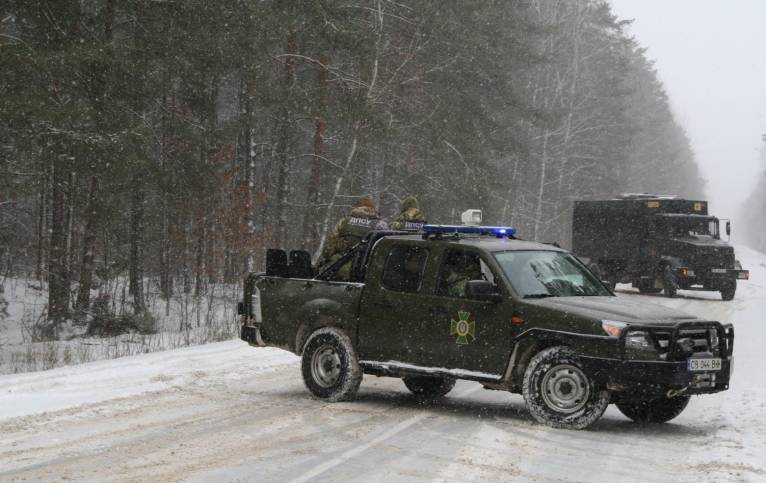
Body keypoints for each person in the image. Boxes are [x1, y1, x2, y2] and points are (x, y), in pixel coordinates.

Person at [319, 196, 389, 278]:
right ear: (373, 209)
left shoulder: (344, 222)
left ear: (356, 207)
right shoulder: (381, 225)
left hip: (338, 272)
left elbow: (327, 251)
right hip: (366, 275)